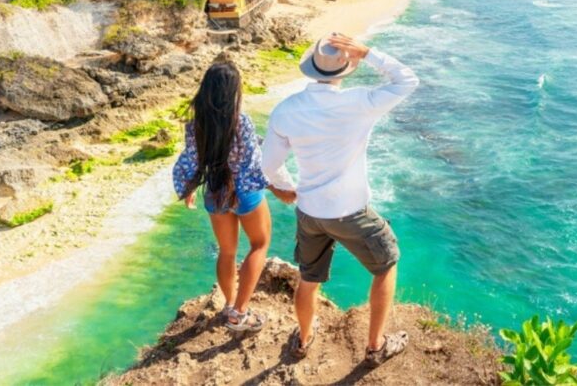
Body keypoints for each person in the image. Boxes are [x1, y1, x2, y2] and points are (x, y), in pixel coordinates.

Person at [262, 33, 419, 366]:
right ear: (345, 69)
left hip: (309, 211)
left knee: (308, 278)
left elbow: (269, 166)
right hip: (350, 213)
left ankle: (303, 340)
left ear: (311, 68)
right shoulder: (358, 102)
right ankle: (375, 347)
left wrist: (287, 189)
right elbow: (407, 80)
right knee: (387, 263)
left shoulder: (285, 110)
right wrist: (369, 53)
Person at [172, 61, 295, 332]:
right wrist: (277, 188)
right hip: (245, 195)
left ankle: (229, 305)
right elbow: (254, 163)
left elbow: (192, 160)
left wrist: (188, 188)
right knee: (259, 245)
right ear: (232, 91)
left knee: (227, 252)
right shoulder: (241, 121)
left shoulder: (195, 125)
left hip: (216, 194)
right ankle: (239, 314)